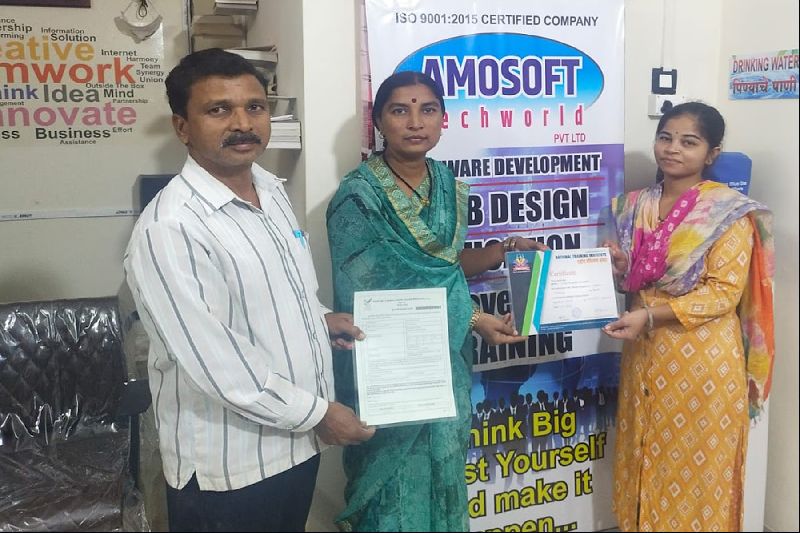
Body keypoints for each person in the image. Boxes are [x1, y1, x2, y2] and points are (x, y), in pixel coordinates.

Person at [123, 48, 375, 532]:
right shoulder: (171, 229)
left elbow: (279, 291)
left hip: (294, 445)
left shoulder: (270, 189)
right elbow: (219, 368)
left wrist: (320, 319)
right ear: (182, 127)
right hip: (231, 469)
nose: (242, 123)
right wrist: (320, 414)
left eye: (254, 107)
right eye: (219, 109)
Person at [325, 70, 547, 531]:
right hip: (389, 360)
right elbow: (379, 293)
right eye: (399, 111)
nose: (415, 122)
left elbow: (443, 266)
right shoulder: (358, 197)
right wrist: (474, 319)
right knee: (392, 486)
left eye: (428, 110)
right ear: (378, 122)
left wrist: (505, 249)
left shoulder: (446, 182)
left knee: (445, 463)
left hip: (445, 358)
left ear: (443, 119)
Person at [601, 101, 775, 532]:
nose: (673, 149)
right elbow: (635, 280)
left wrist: (650, 316)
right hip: (644, 354)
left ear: (711, 153)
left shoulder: (727, 212)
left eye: (688, 142)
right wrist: (619, 267)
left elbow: (723, 293)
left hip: (700, 358)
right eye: (665, 137)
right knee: (642, 455)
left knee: (697, 472)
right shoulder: (633, 205)